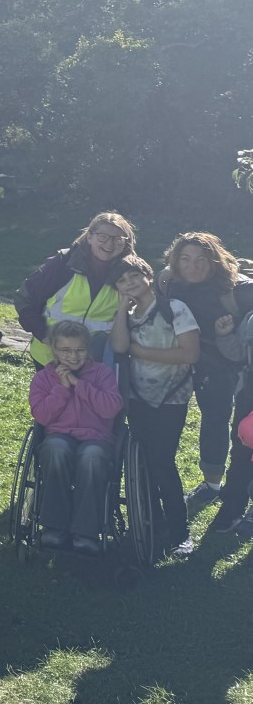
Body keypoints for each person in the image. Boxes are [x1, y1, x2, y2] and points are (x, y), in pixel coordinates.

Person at [108, 256, 198, 556]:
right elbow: (119, 346)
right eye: (122, 281)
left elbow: (190, 353)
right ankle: (151, 524)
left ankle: (180, 532)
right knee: (143, 463)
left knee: (161, 462)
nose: (129, 283)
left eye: (134, 276)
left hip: (171, 399)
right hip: (138, 399)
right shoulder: (128, 315)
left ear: (148, 275)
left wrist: (141, 352)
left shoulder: (175, 309)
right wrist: (122, 307)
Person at [162, 232, 253, 510]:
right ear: (175, 261)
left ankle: (224, 487)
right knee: (196, 418)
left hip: (231, 366)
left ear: (214, 260)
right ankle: (206, 482)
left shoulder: (237, 289)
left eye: (201, 259)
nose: (193, 266)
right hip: (188, 362)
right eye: (185, 259)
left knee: (225, 422)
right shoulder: (168, 283)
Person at [28, 321, 123, 554]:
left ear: (88, 349)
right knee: (56, 450)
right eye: (65, 350)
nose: (73, 356)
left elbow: (111, 409)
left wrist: (79, 385)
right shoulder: (43, 378)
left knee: (91, 457)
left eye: (80, 350)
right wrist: (61, 388)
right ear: (54, 350)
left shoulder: (102, 373)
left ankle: (86, 531)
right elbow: (41, 416)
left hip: (96, 438)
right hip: (58, 435)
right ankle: (54, 526)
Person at [15, 212, 135, 367]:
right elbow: (25, 299)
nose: (109, 244)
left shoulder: (130, 273)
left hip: (96, 362)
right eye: (103, 237)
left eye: (118, 239)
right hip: (50, 358)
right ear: (90, 237)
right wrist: (44, 335)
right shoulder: (63, 263)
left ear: (126, 243)